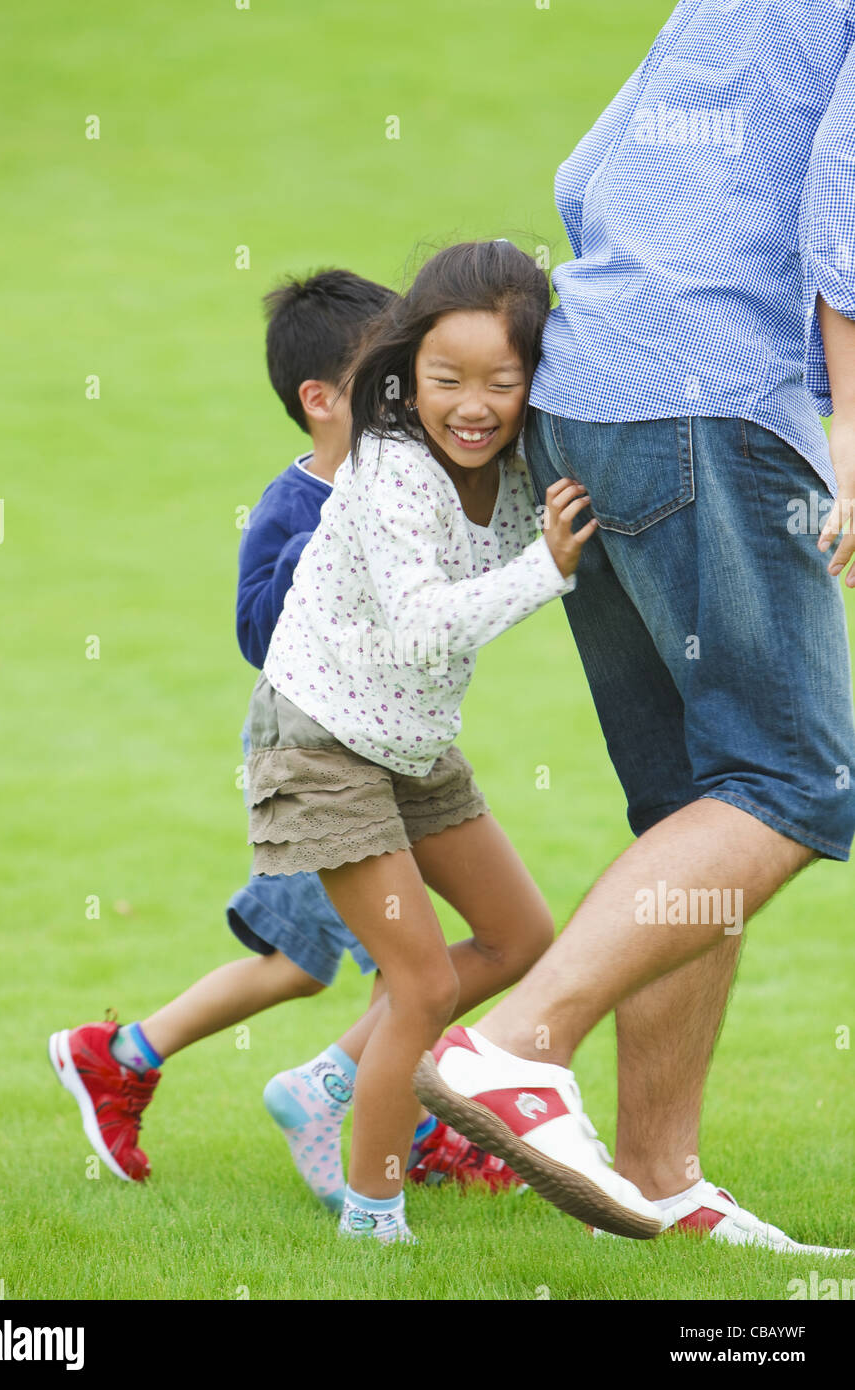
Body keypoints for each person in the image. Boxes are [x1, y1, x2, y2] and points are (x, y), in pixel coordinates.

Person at [414, 1, 855, 1255]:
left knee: (689, 802)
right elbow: (849, 196)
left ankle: (660, 1170)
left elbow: (590, 168)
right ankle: (513, 1047)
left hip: (589, 390)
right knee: (789, 778)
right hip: (715, 404)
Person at [244, 238, 602, 1243]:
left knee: (520, 939)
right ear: (407, 372)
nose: (472, 404)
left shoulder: (522, 465)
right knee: (425, 983)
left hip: (407, 741)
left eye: (502, 379)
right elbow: (418, 622)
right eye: (445, 378)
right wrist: (548, 568)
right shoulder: (393, 465)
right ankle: (373, 1215)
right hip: (320, 742)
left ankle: (324, 1082)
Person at [48, 270, 398, 1191]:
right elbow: (255, 632)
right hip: (320, 755)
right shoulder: (293, 507)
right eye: (387, 377)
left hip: (387, 748)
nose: (410, 394)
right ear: (319, 401)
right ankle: (389, 1115)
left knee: (297, 963)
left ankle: (122, 1054)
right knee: (420, 964)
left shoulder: (408, 481)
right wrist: (329, 539)